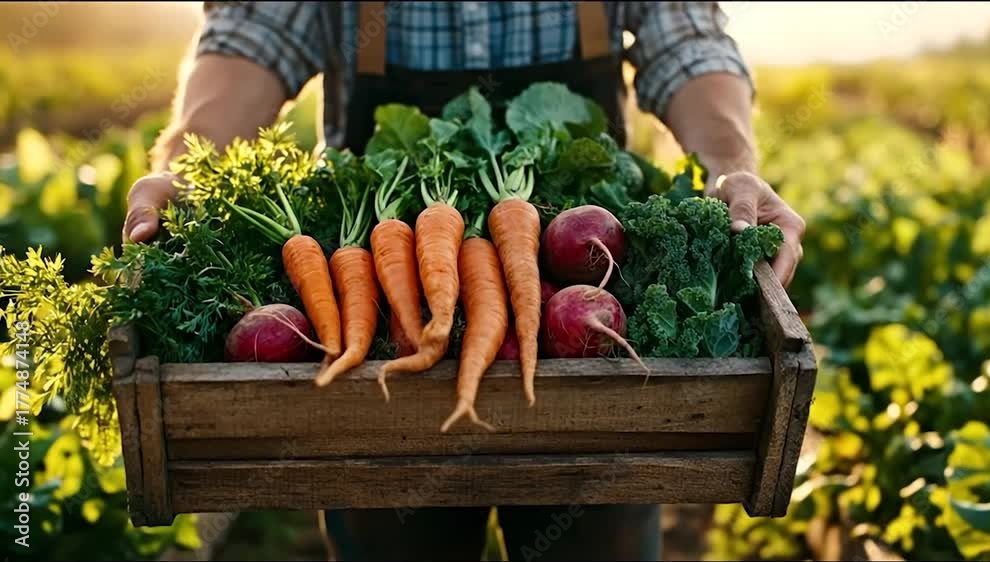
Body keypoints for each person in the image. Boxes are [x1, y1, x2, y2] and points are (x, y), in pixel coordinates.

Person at [123, 2, 806, 560]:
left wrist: (729, 165)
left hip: (590, 367)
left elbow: (687, 37)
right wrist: (188, 167)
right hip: (388, 365)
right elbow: (253, 33)